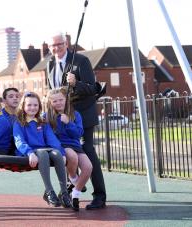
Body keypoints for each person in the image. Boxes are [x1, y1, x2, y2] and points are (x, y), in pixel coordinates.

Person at [47, 32, 106, 209]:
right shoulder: (50, 64)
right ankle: (72, 187)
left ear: (66, 44)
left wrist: (75, 83)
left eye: (59, 44)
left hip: (83, 117)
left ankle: (100, 196)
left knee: (87, 152)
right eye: (53, 45)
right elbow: (53, 94)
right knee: (64, 152)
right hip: (61, 119)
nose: (56, 48)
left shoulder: (80, 61)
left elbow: (92, 89)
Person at [13, 91, 72, 208]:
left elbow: (52, 139)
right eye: (29, 105)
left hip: (44, 149)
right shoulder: (19, 123)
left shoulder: (42, 121)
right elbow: (19, 141)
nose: (32, 108)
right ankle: (49, 191)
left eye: (35, 105)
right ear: (23, 106)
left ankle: (64, 192)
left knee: (56, 154)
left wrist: (62, 152)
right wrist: (29, 152)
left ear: (39, 106)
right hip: (29, 152)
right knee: (43, 153)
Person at [46, 87, 92, 211]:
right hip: (60, 146)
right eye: (54, 101)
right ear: (50, 102)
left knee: (88, 167)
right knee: (72, 156)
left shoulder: (75, 114)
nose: (58, 103)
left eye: (61, 100)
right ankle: (73, 178)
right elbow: (48, 135)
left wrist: (68, 123)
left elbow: (78, 133)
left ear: (66, 100)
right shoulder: (47, 116)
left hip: (76, 145)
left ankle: (75, 194)